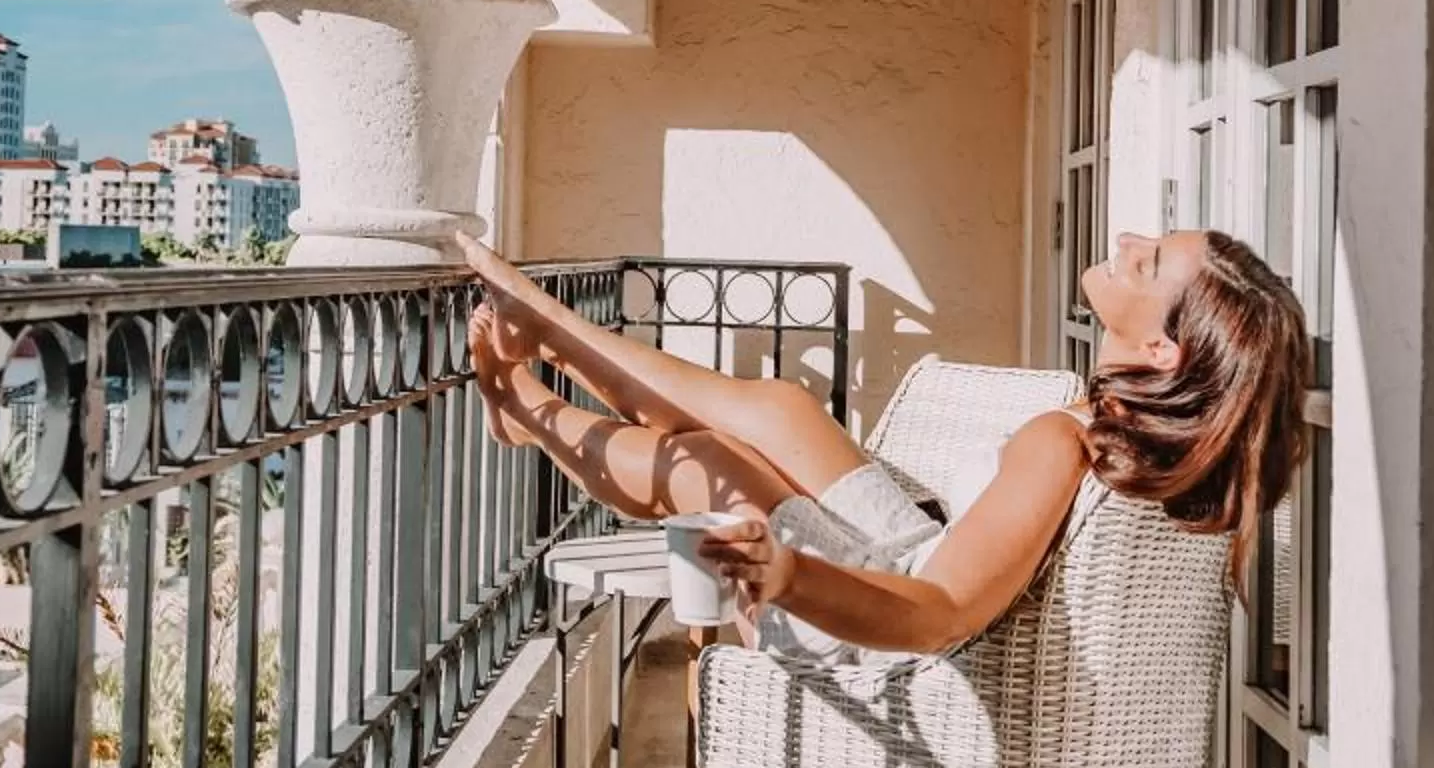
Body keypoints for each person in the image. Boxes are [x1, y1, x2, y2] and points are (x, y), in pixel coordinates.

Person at [458, 229, 1310, 663]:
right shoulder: (1109, 436)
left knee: (715, 462)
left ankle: (523, 393)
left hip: (864, 626)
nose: (1128, 243)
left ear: (1164, 351)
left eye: (1151, 259)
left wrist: (789, 577)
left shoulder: (1068, 441)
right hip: (902, 545)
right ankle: (553, 338)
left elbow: (937, 614)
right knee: (786, 407)